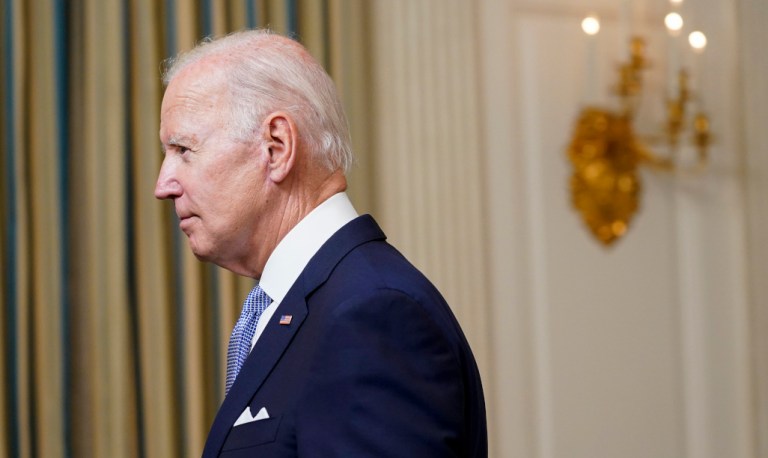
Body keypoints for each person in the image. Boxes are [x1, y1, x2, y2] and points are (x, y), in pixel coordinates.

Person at [154, 29, 487, 457]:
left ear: (276, 148)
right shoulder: (311, 305)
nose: (164, 185)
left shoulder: (372, 315)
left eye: (183, 149)